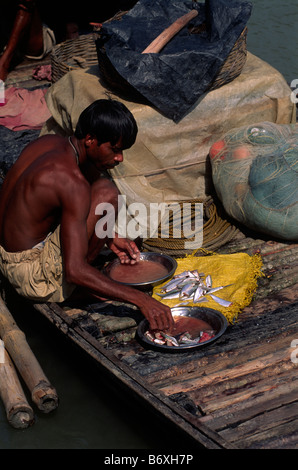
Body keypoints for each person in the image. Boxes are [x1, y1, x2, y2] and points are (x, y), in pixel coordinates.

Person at [0, 99, 173, 331]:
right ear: (90, 140)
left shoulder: (48, 143)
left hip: (6, 255)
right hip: (33, 278)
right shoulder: (71, 182)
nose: (120, 158)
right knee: (107, 192)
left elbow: (48, 207)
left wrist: (109, 236)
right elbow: (74, 270)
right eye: (114, 149)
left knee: (99, 187)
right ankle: (76, 291)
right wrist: (141, 300)